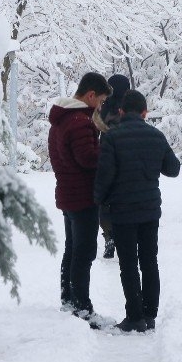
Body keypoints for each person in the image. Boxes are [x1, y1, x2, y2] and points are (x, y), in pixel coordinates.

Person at [94, 89, 181, 333]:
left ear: (121, 111)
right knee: (149, 261)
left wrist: (98, 200)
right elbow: (173, 169)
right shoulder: (156, 136)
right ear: (145, 112)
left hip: (122, 211)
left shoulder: (112, 138)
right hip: (150, 210)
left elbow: (105, 176)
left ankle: (134, 316)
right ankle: (150, 314)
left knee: (129, 264)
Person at [48, 72, 112, 325]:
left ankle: (68, 299)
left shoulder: (61, 119)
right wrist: (106, 153)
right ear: (91, 95)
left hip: (67, 192)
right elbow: (88, 159)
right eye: (102, 100)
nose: (101, 106)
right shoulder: (79, 121)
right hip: (82, 195)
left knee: (72, 249)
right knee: (83, 252)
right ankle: (82, 307)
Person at [94, 74, 131, 259]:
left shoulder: (103, 109)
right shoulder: (129, 108)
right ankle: (125, 234)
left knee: (105, 198)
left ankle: (109, 235)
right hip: (126, 158)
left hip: (106, 156)